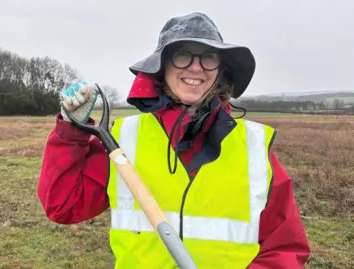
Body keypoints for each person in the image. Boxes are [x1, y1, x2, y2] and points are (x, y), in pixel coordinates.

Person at [37, 11, 310, 269]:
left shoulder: (254, 146)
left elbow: (285, 248)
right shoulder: (123, 139)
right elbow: (63, 206)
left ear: (220, 69)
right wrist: (72, 135)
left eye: (209, 57)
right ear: (162, 66)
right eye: (182, 56)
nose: (196, 68)